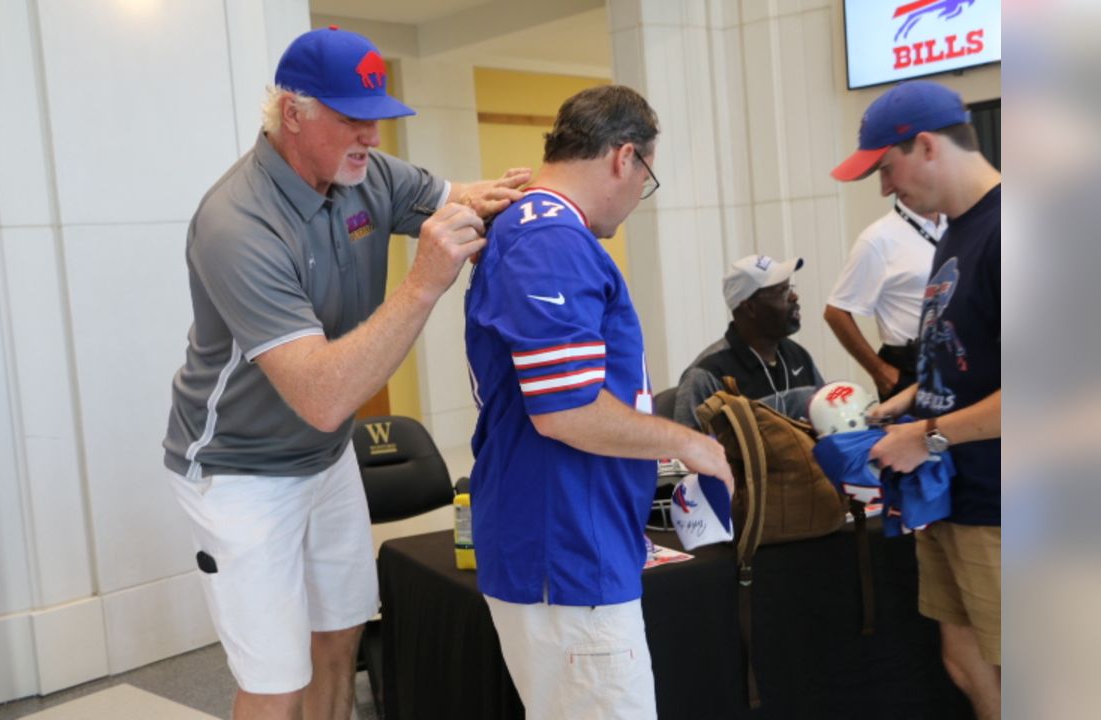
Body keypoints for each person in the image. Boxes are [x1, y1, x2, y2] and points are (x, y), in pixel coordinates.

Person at [161, 27, 530, 720]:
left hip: (323, 459)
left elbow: (470, 199)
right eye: (353, 119)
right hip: (241, 471)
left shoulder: (368, 175)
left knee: (338, 639)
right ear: (292, 113)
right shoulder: (237, 222)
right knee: (276, 680)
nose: (373, 137)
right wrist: (422, 283)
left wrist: (548, 197)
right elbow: (323, 397)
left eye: (378, 119)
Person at [464, 85, 734, 720]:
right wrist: (688, 441)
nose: (641, 195)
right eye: (649, 177)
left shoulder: (539, 230)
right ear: (625, 157)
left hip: (570, 539)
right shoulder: (551, 240)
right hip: (565, 549)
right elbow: (568, 409)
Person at [831, 80, 1001, 720]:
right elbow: (973, 352)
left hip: (1009, 505)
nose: (882, 188)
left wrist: (927, 435)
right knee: (964, 660)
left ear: (926, 146)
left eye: (885, 167)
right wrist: (908, 402)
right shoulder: (957, 231)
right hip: (956, 494)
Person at [670, 254, 824, 428]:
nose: (794, 297)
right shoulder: (706, 375)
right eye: (782, 291)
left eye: (790, 288)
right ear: (750, 307)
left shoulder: (799, 356)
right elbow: (687, 450)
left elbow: (824, 421)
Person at [824, 198, 946, 400]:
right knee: (922, 433)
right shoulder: (878, 239)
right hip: (910, 367)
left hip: (957, 359)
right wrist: (880, 372)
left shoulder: (956, 224)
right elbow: (835, 312)